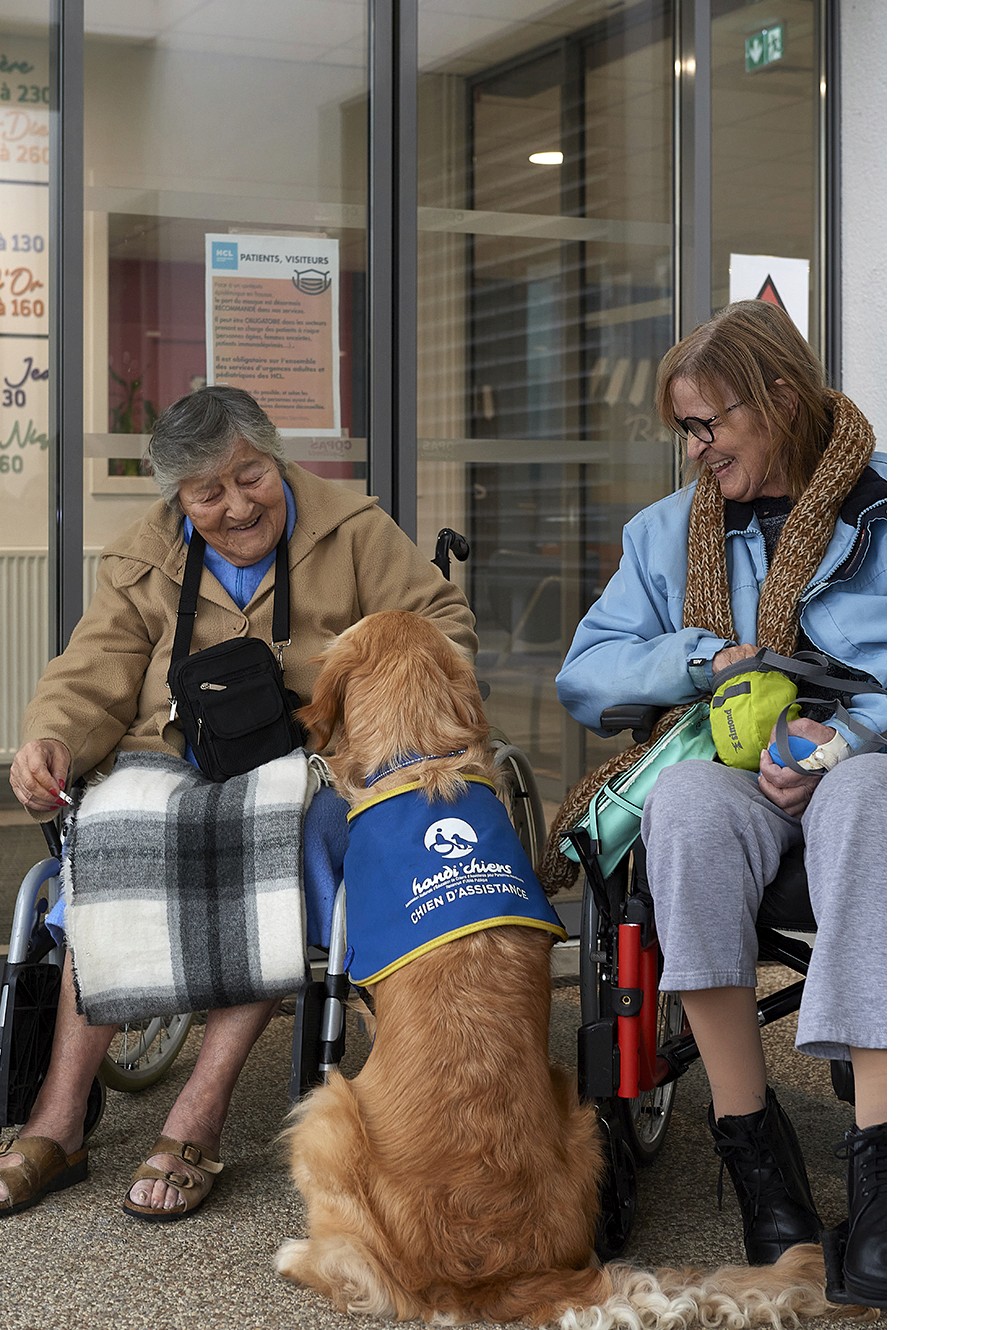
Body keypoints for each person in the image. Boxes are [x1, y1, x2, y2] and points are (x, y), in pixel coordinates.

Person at [0, 385, 475, 1221]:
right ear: (177, 500)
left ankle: (197, 1114)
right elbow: (93, 669)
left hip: (312, 754)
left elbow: (441, 623)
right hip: (171, 754)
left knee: (273, 837)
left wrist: (375, 712)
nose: (234, 505)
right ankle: (57, 1118)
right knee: (108, 834)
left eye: (247, 476)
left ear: (274, 457)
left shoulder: (352, 531)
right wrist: (52, 738)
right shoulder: (143, 558)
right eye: (205, 493)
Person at [556, 300, 888, 1309]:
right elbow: (587, 670)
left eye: (709, 425)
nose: (695, 451)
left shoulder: (898, 513)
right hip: (738, 765)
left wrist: (848, 738)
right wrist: (697, 657)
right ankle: (755, 1148)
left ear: (779, 399)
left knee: (865, 801)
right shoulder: (666, 534)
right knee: (688, 804)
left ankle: (883, 1166)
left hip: (876, 761)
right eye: (685, 431)